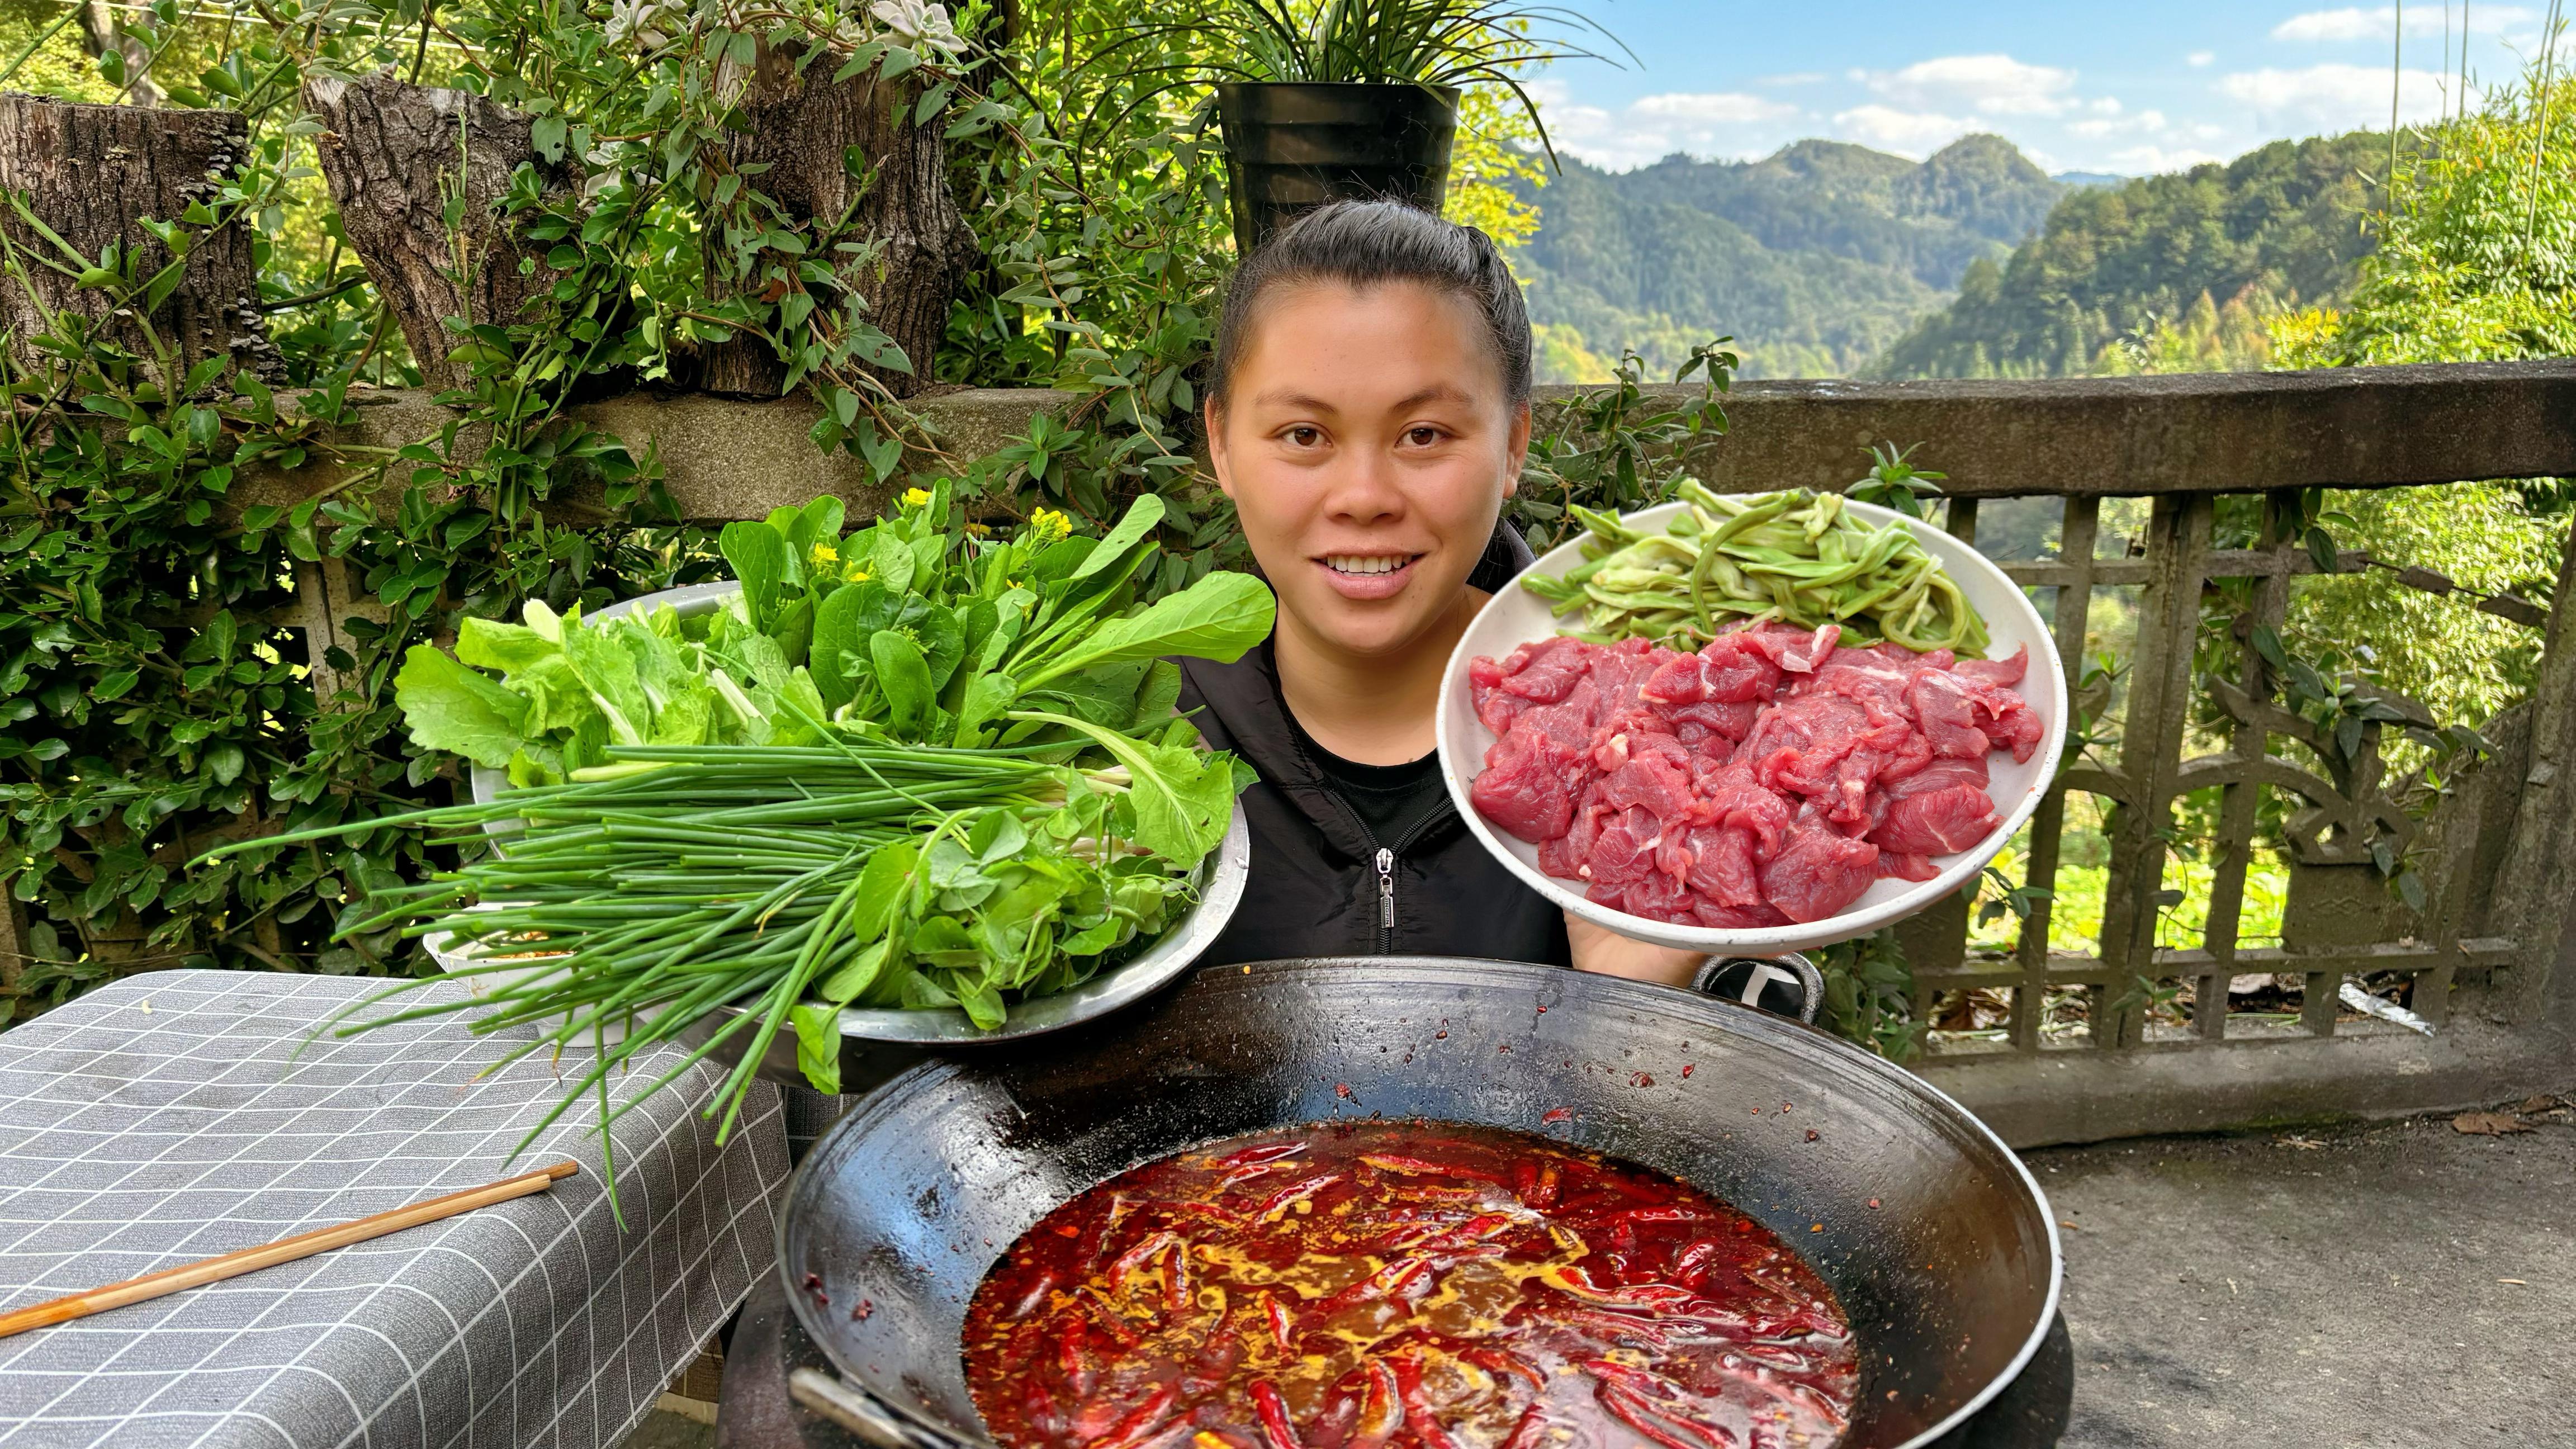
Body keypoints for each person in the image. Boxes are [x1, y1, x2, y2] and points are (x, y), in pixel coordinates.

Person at [1178, 200, 1706, 988]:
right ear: (1222, 443)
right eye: (1304, 435)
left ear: (1514, 444)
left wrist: (1641, 998)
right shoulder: (1131, 743)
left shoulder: (1648, 737)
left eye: (1423, 435)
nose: (1363, 496)